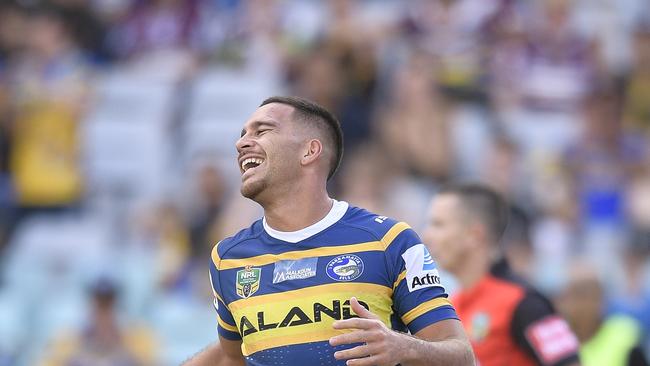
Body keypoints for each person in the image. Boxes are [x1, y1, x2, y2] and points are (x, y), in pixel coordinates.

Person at [183, 96, 474, 365]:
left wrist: (403, 347)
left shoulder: (388, 240)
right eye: (243, 134)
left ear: (310, 151)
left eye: (262, 131)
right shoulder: (227, 258)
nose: (242, 143)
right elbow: (232, 356)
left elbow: (461, 356)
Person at [423, 183, 581, 366]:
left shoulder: (525, 303)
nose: (427, 236)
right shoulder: (451, 304)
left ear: (474, 235)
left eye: (438, 224)